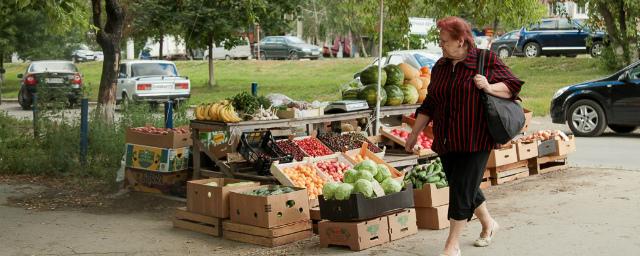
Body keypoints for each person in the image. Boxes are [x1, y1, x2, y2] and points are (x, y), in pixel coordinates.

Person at [405, 16, 524, 256]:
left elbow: (513, 85)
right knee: (464, 186)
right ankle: (489, 223)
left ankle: (452, 244)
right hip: (447, 140)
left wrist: (489, 87)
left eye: (444, 41)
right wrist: (414, 133)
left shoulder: (484, 60)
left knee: (460, 190)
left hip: (476, 139)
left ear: (461, 41)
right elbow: (430, 102)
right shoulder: (440, 66)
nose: (441, 45)